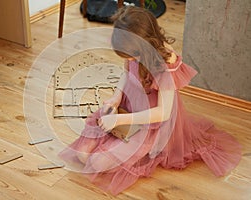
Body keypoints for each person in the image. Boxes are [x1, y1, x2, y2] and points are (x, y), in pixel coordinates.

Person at [59, 6, 242, 195]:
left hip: (150, 121)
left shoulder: (164, 62)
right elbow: (127, 72)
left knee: (96, 163)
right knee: (82, 156)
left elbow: (162, 113)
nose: (130, 59)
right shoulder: (131, 46)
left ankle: (123, 144)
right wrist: (117, 96)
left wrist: (119, 120)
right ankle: (112, 139)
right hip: (128, 105)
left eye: (132, 56)